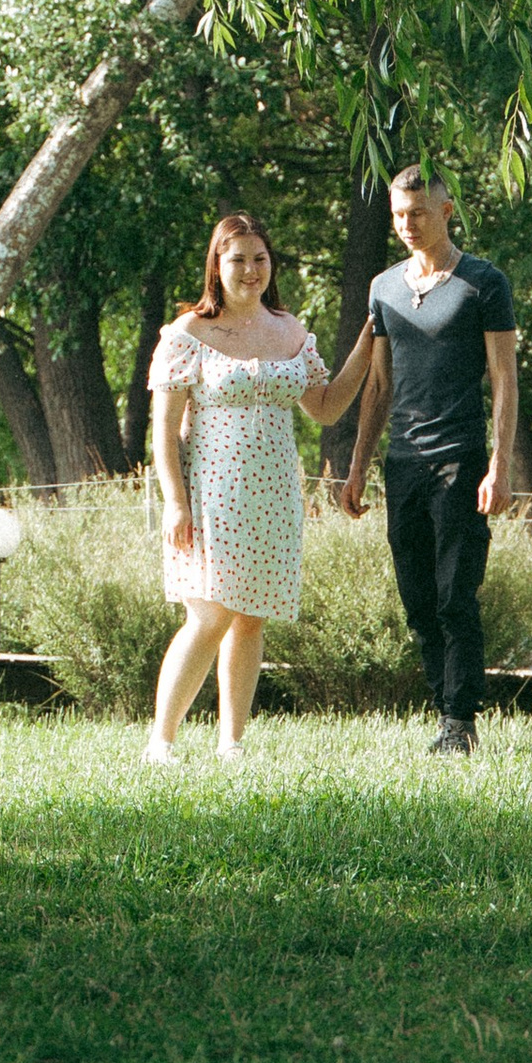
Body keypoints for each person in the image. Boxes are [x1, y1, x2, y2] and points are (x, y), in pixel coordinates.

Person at [147, 212, 376, 762]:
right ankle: (161, 741)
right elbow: (163, 433)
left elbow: (324, 408)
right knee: (207, 614)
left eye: (259, 259)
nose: (250, 270)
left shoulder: (290, 330)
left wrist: (370, 339)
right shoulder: (188, 335)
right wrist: (175, 502)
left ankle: (233, 744)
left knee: (250, 615)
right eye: (237, 259)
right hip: (211, 490)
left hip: (274, 492)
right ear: (216, 266)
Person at [339, 163, 518, 758]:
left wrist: (500, 465)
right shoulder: (383, 287)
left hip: (462, 461)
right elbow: (379, 387)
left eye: (417, 213)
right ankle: (445, 707)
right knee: (417, 599)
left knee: (454, 594)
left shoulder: (483, 283)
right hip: (404, 463)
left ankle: (459, 718)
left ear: (445, 212)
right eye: (397, 214)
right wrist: (359, 464)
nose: (406, 224)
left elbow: (503, 380)